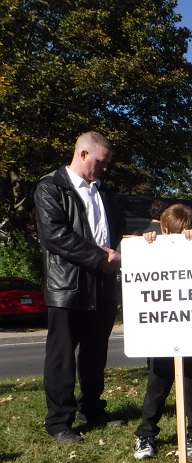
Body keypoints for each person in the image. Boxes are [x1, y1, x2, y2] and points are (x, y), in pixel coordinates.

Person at [33, 132, 125, 444]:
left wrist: (117, 253)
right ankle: (59, 422)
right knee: (61, 356)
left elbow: (119, 229)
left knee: (95, 353)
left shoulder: (106, 192)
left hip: (103, 285)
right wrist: (101, 258)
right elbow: (54, 236)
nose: (105, 168)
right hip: (68, 286)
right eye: (101, 162)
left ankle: (93, 410)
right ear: (83, 154)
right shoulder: (51, 188)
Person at [133, 204, 192, 459]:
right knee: (158, 380)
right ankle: (145, 434)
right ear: (163, 229)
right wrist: (149, 242)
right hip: (161, 330)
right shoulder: (153, 242)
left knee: (189, 379)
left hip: (186, 329)